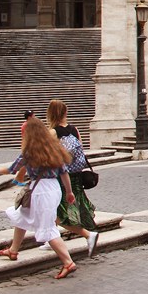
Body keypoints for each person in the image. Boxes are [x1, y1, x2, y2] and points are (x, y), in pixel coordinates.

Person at [0, 117, 80, 279]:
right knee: (22, 214)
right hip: (53, 189)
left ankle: (68, 262)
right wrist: (69, 192)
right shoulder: (52, 149)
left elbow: (13, 169)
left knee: (47, 228)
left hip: (41, 191)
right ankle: (13, 250)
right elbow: (64, 172)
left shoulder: (29, 151)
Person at [46, 99, 99, 257]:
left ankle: (88, 235)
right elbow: (81, 151)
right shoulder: (74, 130)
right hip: (76, 174)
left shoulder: (53, 132)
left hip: (62, 176)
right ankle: (50, 238)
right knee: (77, 207)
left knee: (59, 210)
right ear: (65, 113)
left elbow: (48, 154)